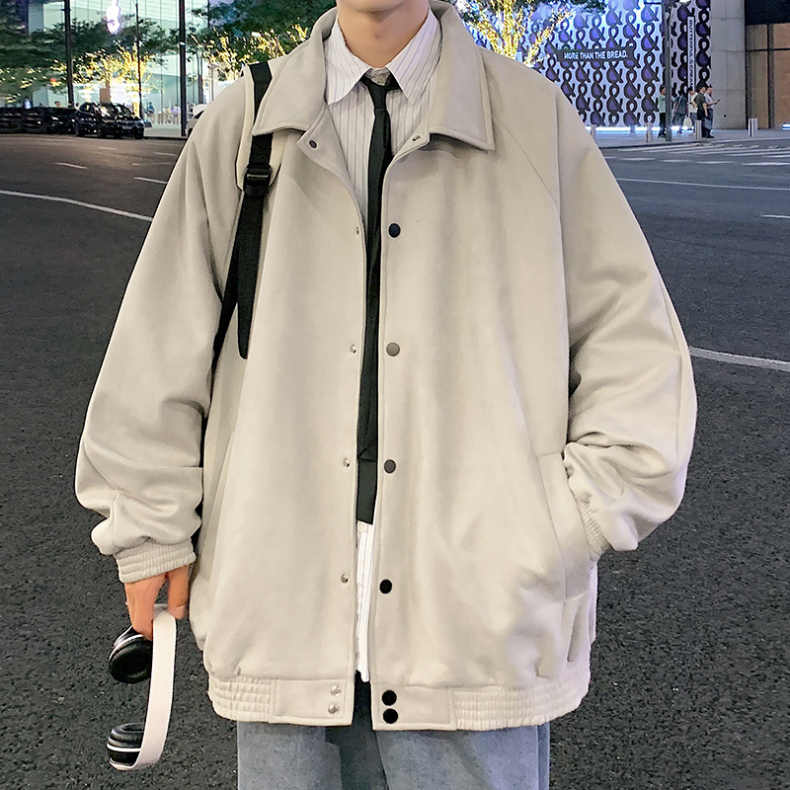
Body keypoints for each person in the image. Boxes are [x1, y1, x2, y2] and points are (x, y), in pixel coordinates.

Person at [74, 1, 697, 788]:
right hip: (282, 601)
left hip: (475, 619)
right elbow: (158, 347)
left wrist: (561, 525)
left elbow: (636, 351)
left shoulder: (532, 120)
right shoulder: (244, 123)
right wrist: (149, 530)